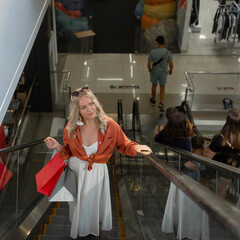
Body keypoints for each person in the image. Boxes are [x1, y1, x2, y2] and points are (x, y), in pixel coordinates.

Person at [44, 86, 152, 239]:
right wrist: (57, 147)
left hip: (97, 174)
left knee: (94, 208)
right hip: (76, 173)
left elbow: (124, 144)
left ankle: (95, 232)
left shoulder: (109, 125)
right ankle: (82, 232)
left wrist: (137, 147)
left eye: (91, 103)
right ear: (78, 111)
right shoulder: (71, 127)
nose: (89, 109)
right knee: (77, 209)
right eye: (83, 107)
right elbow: (67, 152)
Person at [204, 109, 240, 198]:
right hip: (231, 171)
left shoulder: (220, 138)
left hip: (216, 169)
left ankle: (205, 204)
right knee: (221, 190)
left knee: (204, 181)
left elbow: (207, 157)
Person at [148, 35, 173, 112]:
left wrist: (150, 69)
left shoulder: (153, 52)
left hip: (154, 72)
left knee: (154, 85)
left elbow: (149, 64)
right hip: (163, 73)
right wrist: (171, 70)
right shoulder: (168, 52)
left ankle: (153, 100)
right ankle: (161, 102)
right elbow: (171, 64)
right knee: (162, 87)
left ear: (157, 42)